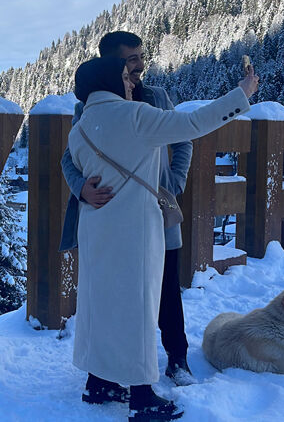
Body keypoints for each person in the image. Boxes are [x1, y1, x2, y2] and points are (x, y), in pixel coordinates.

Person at [68, 56, 256, 421]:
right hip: (134, 228)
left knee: (100, 303)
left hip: (94, 225)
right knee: (139, 307)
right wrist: (242, 94)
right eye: (123, 77)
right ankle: (141, 395)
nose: (130, 83)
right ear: (108, 81)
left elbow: (78, 169)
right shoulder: (135, 116)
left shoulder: (80, 127)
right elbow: (192, 124)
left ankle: (98, 383)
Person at [60, 31, 195, 388]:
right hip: (111, 219)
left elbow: (183, 139)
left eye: (141, 56)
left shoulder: (156, 97)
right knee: (112, 293)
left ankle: (177, 359)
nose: (140, 65)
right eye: (130, 59)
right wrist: (81, 188)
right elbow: (69, 158)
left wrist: (175, 181)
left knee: (166, 290)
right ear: (112, 64)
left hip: (155, 211)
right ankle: (103, 374)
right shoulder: (89, 107)